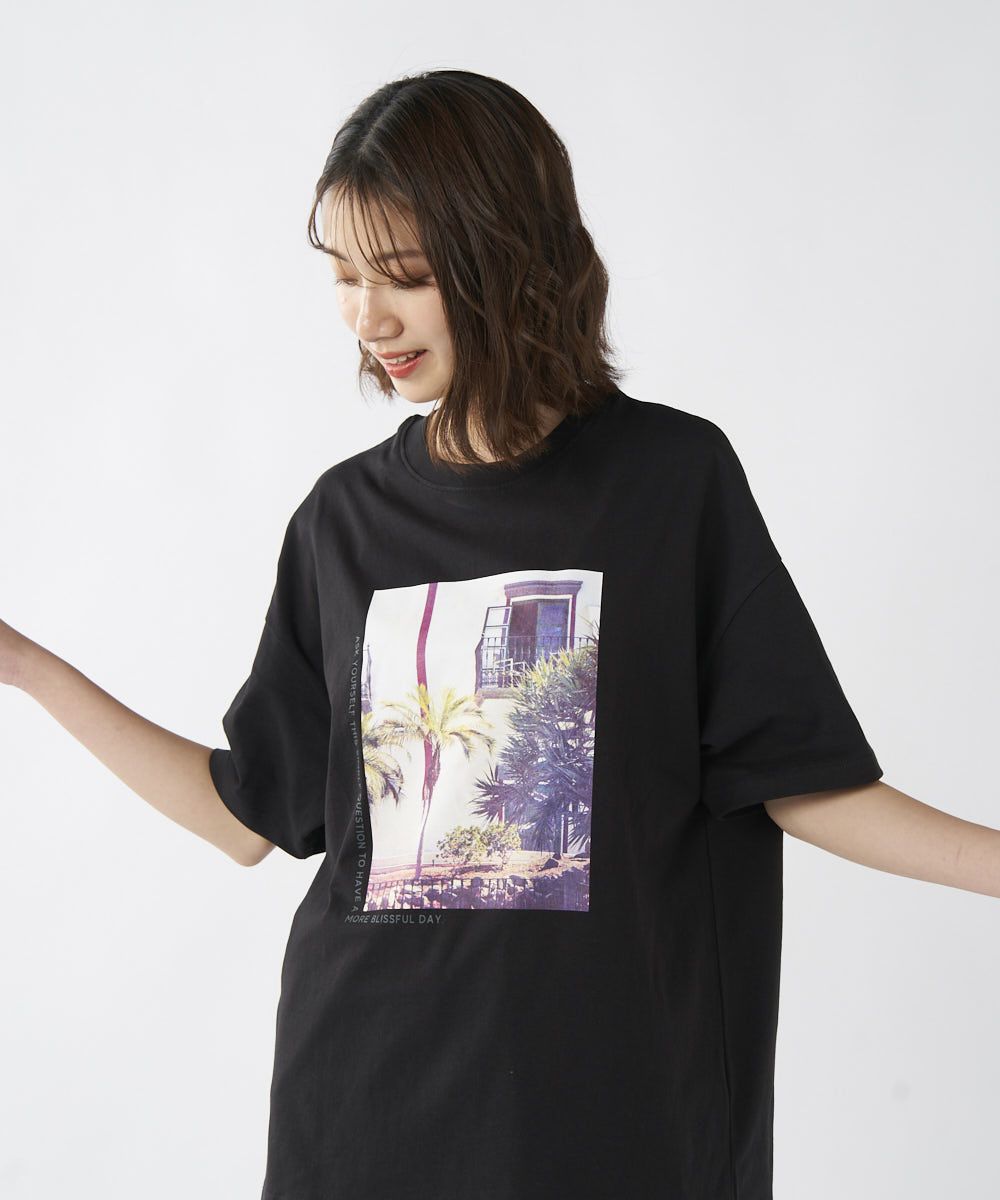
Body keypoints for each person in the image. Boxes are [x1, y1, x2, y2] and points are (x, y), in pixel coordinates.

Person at [3, 67, 997, 1200]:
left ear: (504, 258)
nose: (367, 318)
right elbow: (248, 816)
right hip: (362, 1114)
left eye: (405, 276)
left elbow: (795, 776)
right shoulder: (341, 523)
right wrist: (24, 666)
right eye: (343, 276)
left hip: (619, 1121)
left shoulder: (671, 483)